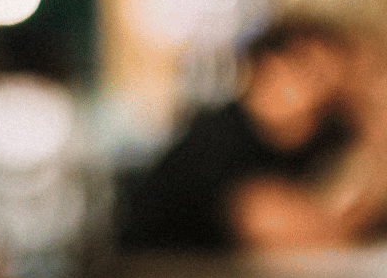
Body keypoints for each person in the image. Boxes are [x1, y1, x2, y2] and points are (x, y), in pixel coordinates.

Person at [118, 17, 387, 252]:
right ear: (267, 68)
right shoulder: (219, 141)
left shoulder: (315, 143)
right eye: (310, 70)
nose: (324, 88)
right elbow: (312, 233)